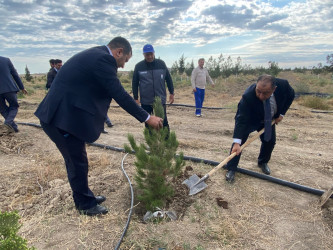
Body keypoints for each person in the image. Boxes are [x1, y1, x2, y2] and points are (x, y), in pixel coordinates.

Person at [35, 37, 163, 216]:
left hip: (64, 116)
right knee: (76, 162)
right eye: (125, 60)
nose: (123, 66)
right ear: (119, 52)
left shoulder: (96, 54)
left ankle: (86, 197)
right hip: (59, 119)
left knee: (79, 159)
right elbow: (119, 93)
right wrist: (147, 117)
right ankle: (85, 205)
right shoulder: (103, 59)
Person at [225, 75, 295, 182]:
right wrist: (236, 142)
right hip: (250, 119)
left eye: (265, 93)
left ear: (274, 89)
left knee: (270, 141)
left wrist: (282, 114)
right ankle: (231, 168)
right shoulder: (248, 96)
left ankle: (263, 162)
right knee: (239, 143)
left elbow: (291, 95)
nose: (261, 96)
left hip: (268, 119)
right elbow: (241, 119)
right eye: (258, 91)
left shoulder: (283, 85)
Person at [132, 44, 174, 131]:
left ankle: (166, 142)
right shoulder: (139, 66)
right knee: (148, 122)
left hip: (160, 99)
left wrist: (171, 93)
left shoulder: (161, 64)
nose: (150, 56)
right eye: (147, 54)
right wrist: (136, 98)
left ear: (154, 53)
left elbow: (168, 79)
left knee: (164, 122)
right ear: (144, 55)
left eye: (151, 54)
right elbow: (135, 83)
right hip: (146, 101)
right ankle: (152, 143)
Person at [0, 56, 28, 133]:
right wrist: (22, 87)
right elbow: (15, 74)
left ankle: (13, 127)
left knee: (2, 109)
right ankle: (9, 123)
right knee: (14, 106)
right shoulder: (6, 60)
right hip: (9, 88)